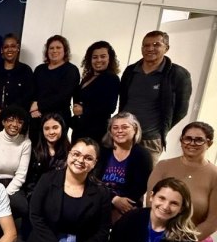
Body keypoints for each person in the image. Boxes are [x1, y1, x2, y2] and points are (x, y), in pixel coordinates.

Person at [25, 138, 111, 242]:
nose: (80, 160)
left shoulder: (101, 192)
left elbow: (102, 231)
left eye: (88, 158)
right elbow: (36, 216)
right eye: (76, 154)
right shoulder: (48, 179)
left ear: (94, 163)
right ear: (69, 154)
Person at [147, 122, 217, 242]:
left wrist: (183, 241)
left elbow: (213, 220)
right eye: (187, 138)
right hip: (154, 234)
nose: (192, 143)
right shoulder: (163, 166)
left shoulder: (214, 175)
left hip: (192, 240)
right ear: (181, 140)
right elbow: (151, 204)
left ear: (209, 143)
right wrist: (160, 235)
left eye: (199, 140)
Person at [119, 30, 192, 162]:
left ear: (166, 48)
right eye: (146, 45)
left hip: (150, 141)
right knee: (116, 171)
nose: (150, 48)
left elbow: (181, 110)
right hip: (123, 136)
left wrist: (159, 130)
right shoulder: (131, 71)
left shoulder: (178, 74)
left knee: (144, 174)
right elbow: (123, 101)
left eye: (156, 45)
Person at [95, 112, 152, 223]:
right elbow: (93, 180)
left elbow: (140, 187)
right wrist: (113, 199)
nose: (119, 131)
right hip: (99, 200)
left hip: (127, 205)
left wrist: (121, 207)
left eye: (125, 127)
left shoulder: (142, 155)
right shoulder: (101, 151)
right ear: (110, 132)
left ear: (135, 129)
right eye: (115, 128)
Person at [29, 35, 79, 142]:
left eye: (58, 47)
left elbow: (63, 96)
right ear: (47, 51)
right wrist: (33, 109)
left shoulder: (71, 70)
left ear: (65, 50)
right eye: (51, 48)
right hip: (37, 118)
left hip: (59, 118)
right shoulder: (39, 69)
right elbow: (32, 92)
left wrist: (39, 105)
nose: (54, 51)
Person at [71, 41, 121, 144]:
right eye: (95, 57)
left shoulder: (112, 78)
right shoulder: (88, 77)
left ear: (109, 58)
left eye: (103, 56)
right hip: (80, 129)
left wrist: (84, 110)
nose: (98, 60)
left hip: (96, 131)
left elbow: (110, 107)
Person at [0, 105, 32, 219]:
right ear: (3, 122)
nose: (15, 125)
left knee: (23, 207)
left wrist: (5, 194)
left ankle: (6, 223)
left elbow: (21, 174)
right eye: (11, 120)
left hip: (13, 183)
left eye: (19, 122)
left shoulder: (26, 143)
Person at [0, 33, 34, 133]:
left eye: (13, 46)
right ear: (2, 50)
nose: (9, 49)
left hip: (17, 122)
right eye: (6, 47)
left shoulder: (26, 71)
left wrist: (7, 113)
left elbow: (28, 96)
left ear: (18, 48)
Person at [24, 113, 70, 201]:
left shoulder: (70, 153)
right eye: (47, 128)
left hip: (62, 198)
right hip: (38, 197)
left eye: (55, 127)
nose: (51, 132)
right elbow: (30, 183)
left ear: (62, 128)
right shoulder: (34, 153)